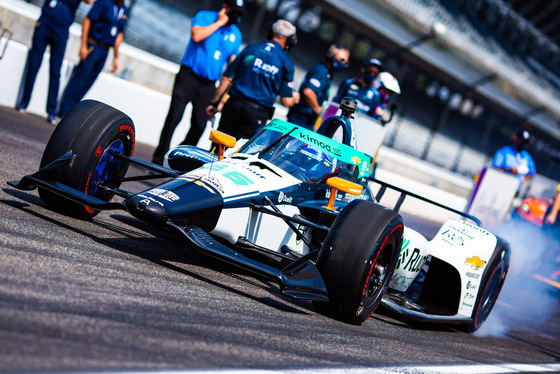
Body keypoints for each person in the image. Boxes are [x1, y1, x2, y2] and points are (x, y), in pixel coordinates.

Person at [151, 0, 244, 165]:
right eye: (233, 12)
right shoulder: (204, 17)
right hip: (189, 76)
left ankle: (177, 159)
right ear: (225, 7)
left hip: (208, 85)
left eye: (239, 14)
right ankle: (158, 157)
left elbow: (233, 66)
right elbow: (196, 36)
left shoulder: (236, 34)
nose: (235, 16)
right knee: (174, 117)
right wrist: (219, 23)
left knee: (200, 125)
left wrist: (224, 95)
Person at [206, 19, 300, 140]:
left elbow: (226, 79)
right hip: (256, 114)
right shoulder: (286, 63)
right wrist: (295, 98)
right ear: (291, 40)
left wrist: (214, 103)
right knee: (239, 153)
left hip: (233, 105)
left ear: (271, 32)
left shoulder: (250, 49)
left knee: (218, 145)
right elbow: (286, 101)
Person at [15, 0, 93, 125]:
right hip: (45, 22)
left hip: (61, 29)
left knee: (55, 71)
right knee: (34, 65)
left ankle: (51, 111)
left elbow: (89, 1)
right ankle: (24, 102)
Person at [56, 0, 129, 119]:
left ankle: (71, 113)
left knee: (88, 82)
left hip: (105, 50)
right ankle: (63, 112)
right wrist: (83, 45)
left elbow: (119, 35)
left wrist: (116, 58)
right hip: (93, 45)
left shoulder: (124, 10)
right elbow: (87, 20)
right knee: (79, 80)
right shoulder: (104, 2)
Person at [286, 44, 350, 129]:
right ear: (331, 55)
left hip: (305, 120)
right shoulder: (321, 71)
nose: (343, 64)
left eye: (345, 62)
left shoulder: (327, 73)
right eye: (341, 60)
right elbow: (308, 92)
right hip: (300, 119)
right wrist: (318, 109)